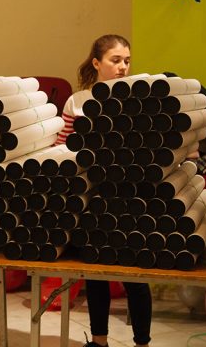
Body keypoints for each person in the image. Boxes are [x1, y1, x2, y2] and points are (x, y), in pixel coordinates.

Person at [56, 34, 151, 347]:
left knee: (134, 275)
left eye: (127, 61)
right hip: (91, 196)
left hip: (127, 194)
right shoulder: (78, 101)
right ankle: (99, 342)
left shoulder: (137, 97)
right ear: (97, 63)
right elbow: (63, 146)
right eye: (116, 60)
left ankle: (142, 343)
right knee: (95, 271)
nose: (123, 67)